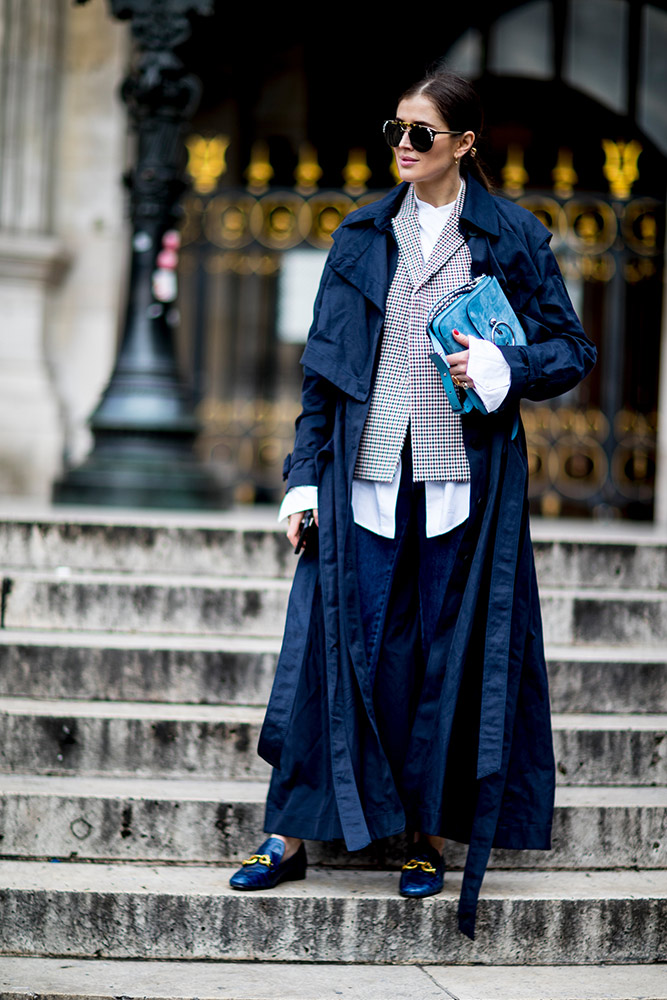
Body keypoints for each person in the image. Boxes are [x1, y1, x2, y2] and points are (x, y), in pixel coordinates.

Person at [229, 70, 596, 939]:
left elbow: (568, 347)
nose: (404, 143)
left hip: (458, 489)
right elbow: (321, 378)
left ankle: (421, 835)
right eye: (397, 127)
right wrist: (303, 477)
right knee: (329, 651)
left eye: (423, 132)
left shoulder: (508, 236)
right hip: (359, 479)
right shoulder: (360, 235)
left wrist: (507, 371)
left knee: (439, 660)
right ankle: (286, 834)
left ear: (465, 143)